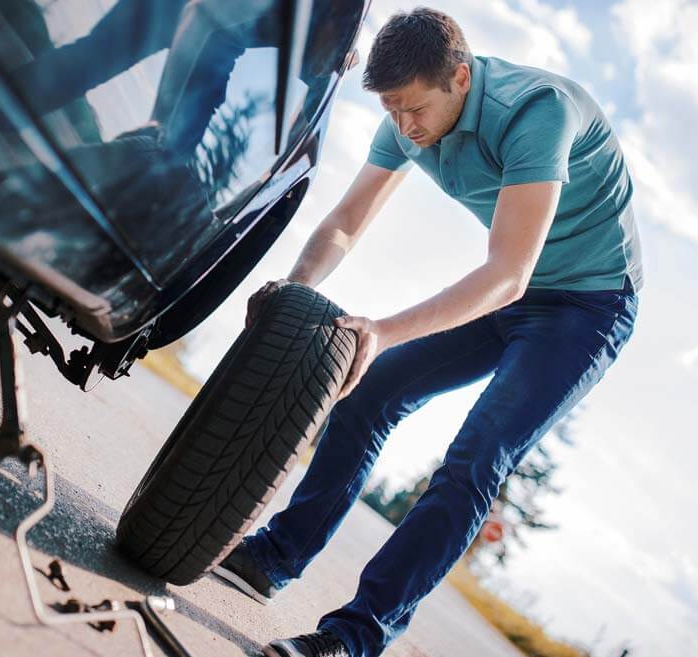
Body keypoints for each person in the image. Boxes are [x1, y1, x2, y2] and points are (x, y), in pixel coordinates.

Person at [211, 7, 644, 657]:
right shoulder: (407, 118)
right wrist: (297, 290)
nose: (405, 127)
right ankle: (274, 556)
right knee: (369, 392)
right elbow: (347, 221)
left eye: (414, 109)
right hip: (515, 288)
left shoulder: (537, 112)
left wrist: (381, 328)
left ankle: (353, 638)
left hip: (586, 306)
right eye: (392, 110)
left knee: (476, 456)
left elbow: (509, 272)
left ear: (461, 79)